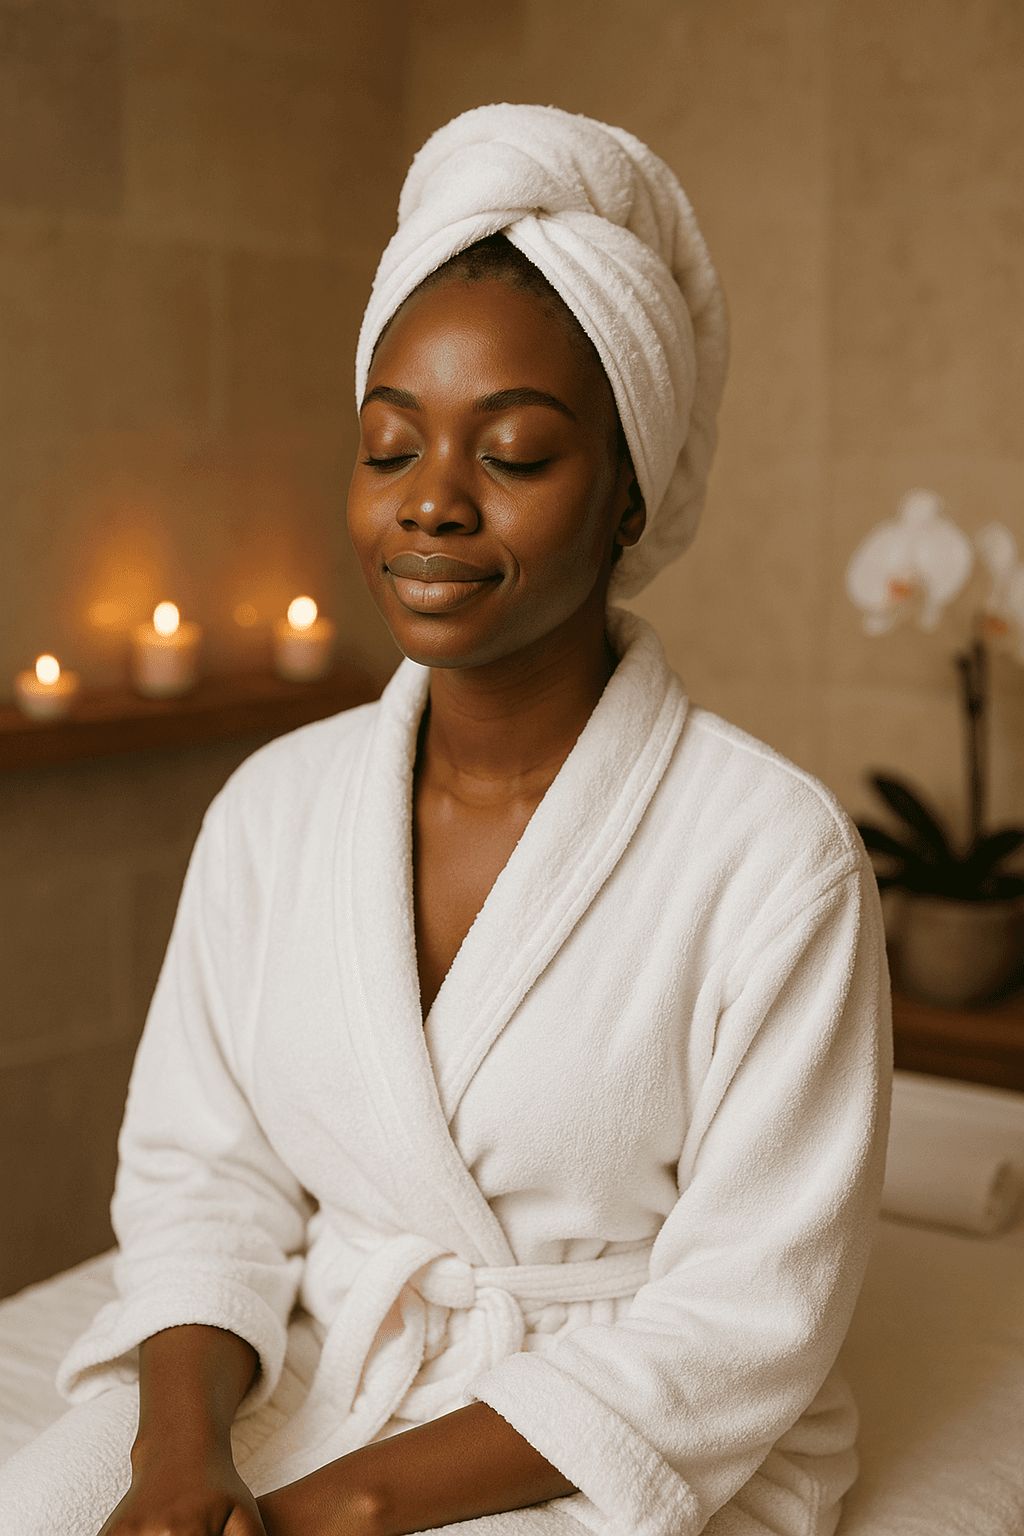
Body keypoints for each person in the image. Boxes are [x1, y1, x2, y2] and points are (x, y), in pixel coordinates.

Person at [0, 105, 890, 1536]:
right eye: (389, 445)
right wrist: (182, 1465)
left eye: (518, 453)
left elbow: (744, 1322)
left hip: (604, 1442)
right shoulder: (271, 814)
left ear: (627, 499)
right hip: (316, 1370)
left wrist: (337, 1509)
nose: (432, 506)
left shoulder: (772, 860)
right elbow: (201, 1180)